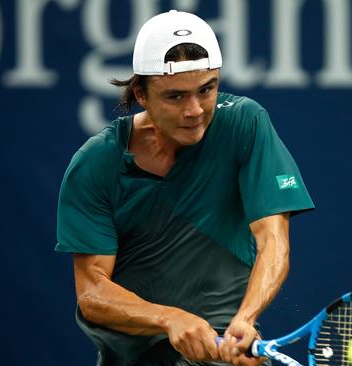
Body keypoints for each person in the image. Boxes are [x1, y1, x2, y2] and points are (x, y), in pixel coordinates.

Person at [55, 10, 314, 366]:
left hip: (223, 353)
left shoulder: (245, 123)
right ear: (141, 94)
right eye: (175, 97)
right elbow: (92, 293)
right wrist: (169, 318)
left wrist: (246, 318)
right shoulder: (96, 163)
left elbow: (273, 238)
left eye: (206, 89)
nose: (195, 110)